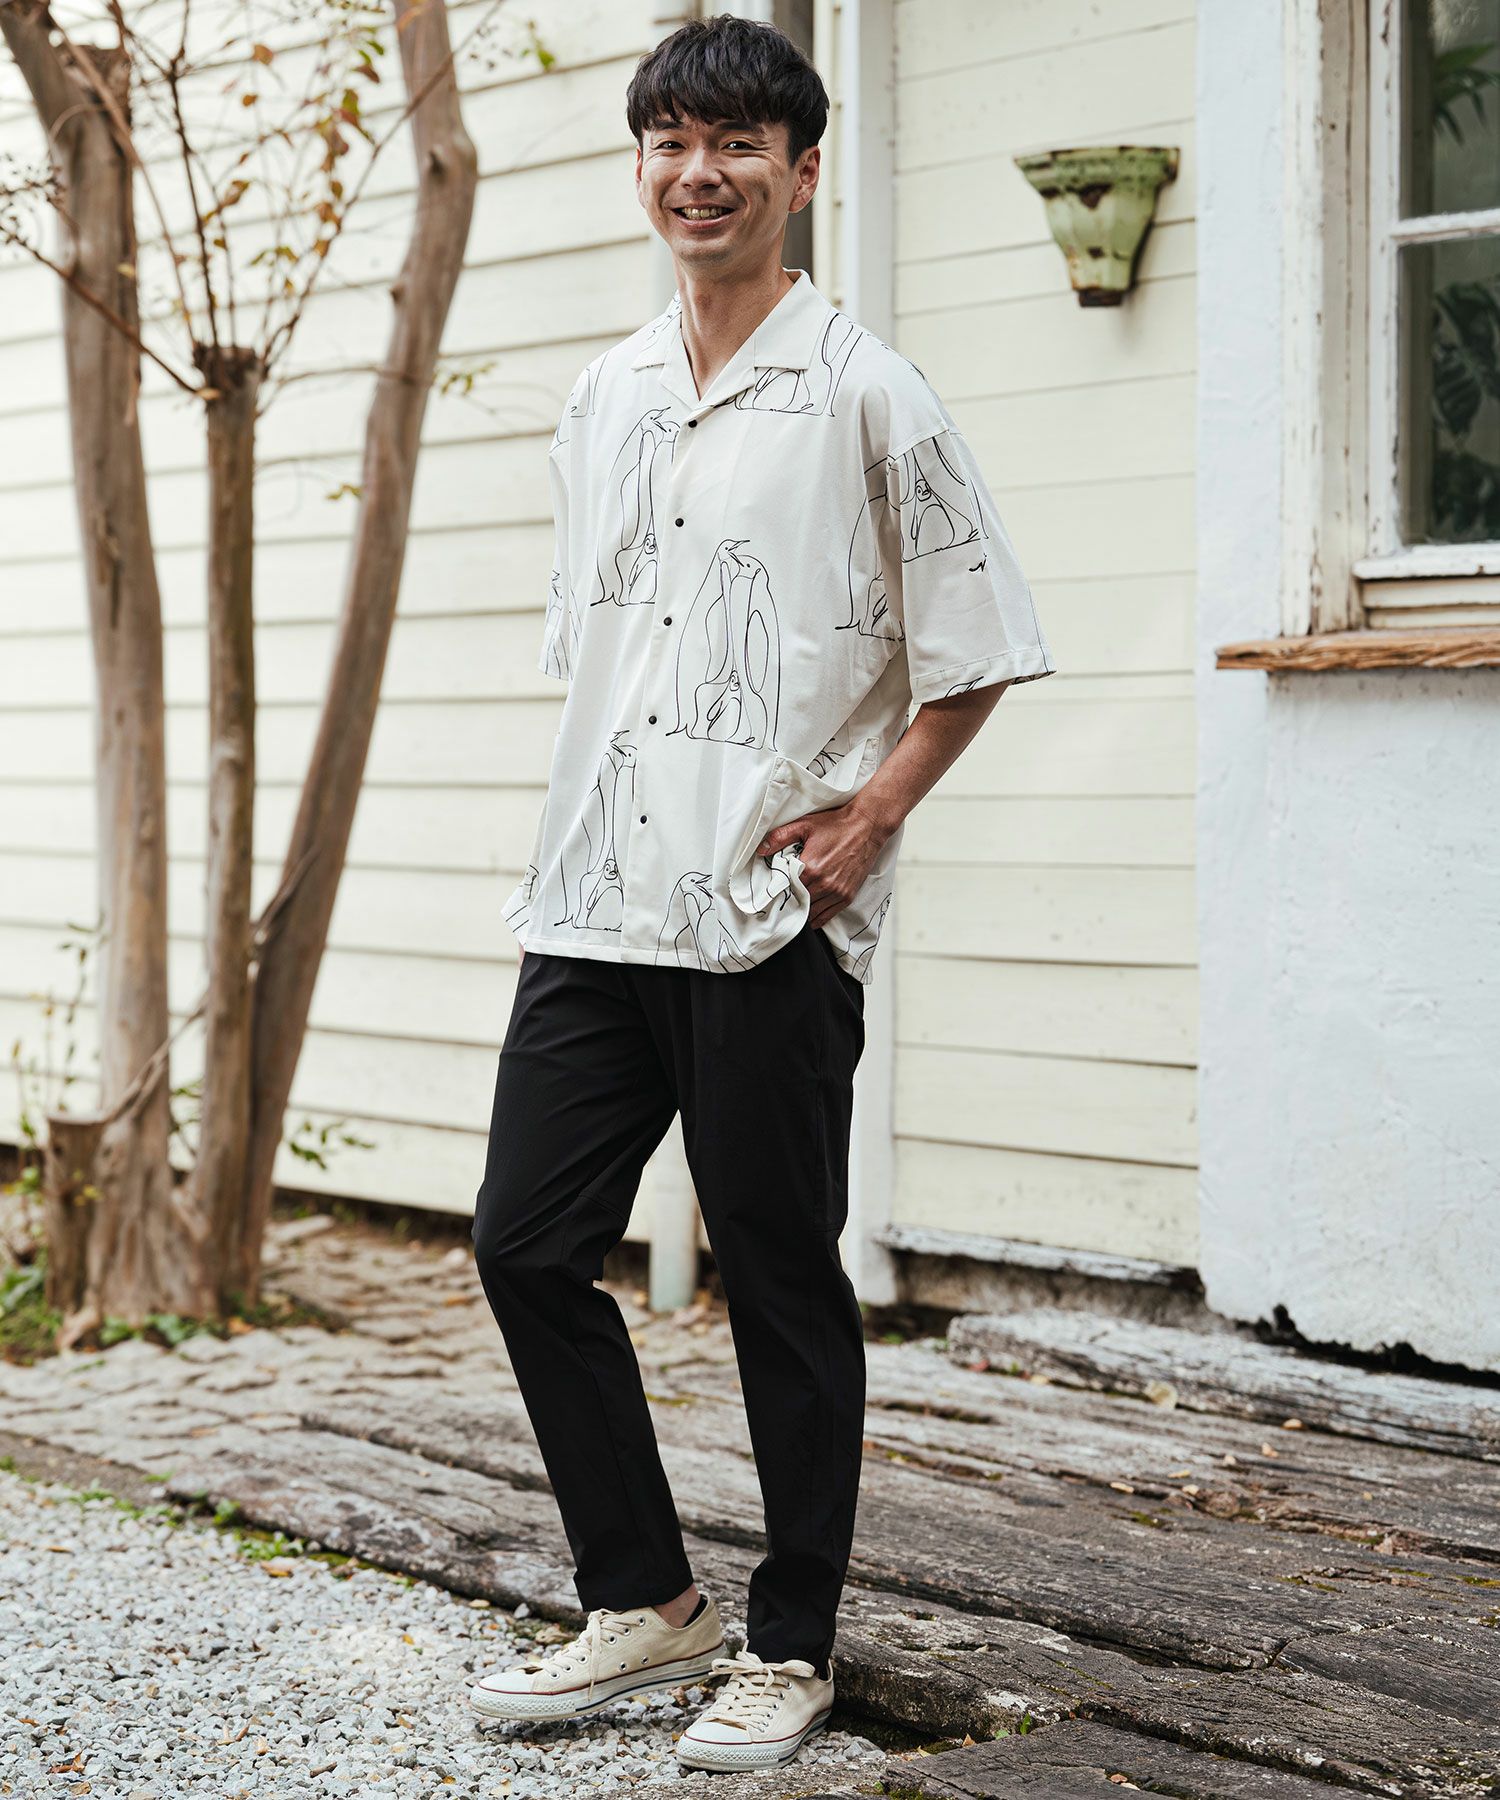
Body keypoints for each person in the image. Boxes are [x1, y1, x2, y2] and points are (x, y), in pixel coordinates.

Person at [466, 12, 1056, 1775]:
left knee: (783, 1278)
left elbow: (976, 648)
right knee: (524, 1244)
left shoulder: (872, 391)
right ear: (642, 166)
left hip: (765, 917)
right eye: (670, 141)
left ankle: (789, 1642)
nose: (697, 172)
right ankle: (645, 1600)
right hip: (594, 902)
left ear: (803, 173)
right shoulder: (606, 396)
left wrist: (870, 822)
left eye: (737, 143)